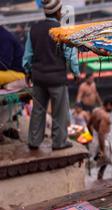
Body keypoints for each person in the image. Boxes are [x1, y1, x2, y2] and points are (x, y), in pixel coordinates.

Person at [23, 0, 80, 150]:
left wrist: (28, 72)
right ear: (58, 12)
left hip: (38, 78)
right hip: (56, 79)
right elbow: (70, 54)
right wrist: (75, 72)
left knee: (38, 110)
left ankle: (34, 141)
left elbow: (28, 55)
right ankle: (59, 142)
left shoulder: (34, 29)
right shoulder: (61, 30)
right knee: (59, 111)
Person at [88, 96, 112, 180]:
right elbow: (101, 134)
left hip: (96, 142)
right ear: (109, 105)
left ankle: (100, 179)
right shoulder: (105, 116)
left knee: (104, 163)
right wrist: (102, 150)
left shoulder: (96, 111)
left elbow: (88, 124)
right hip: (103, 143)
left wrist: (93, 136)